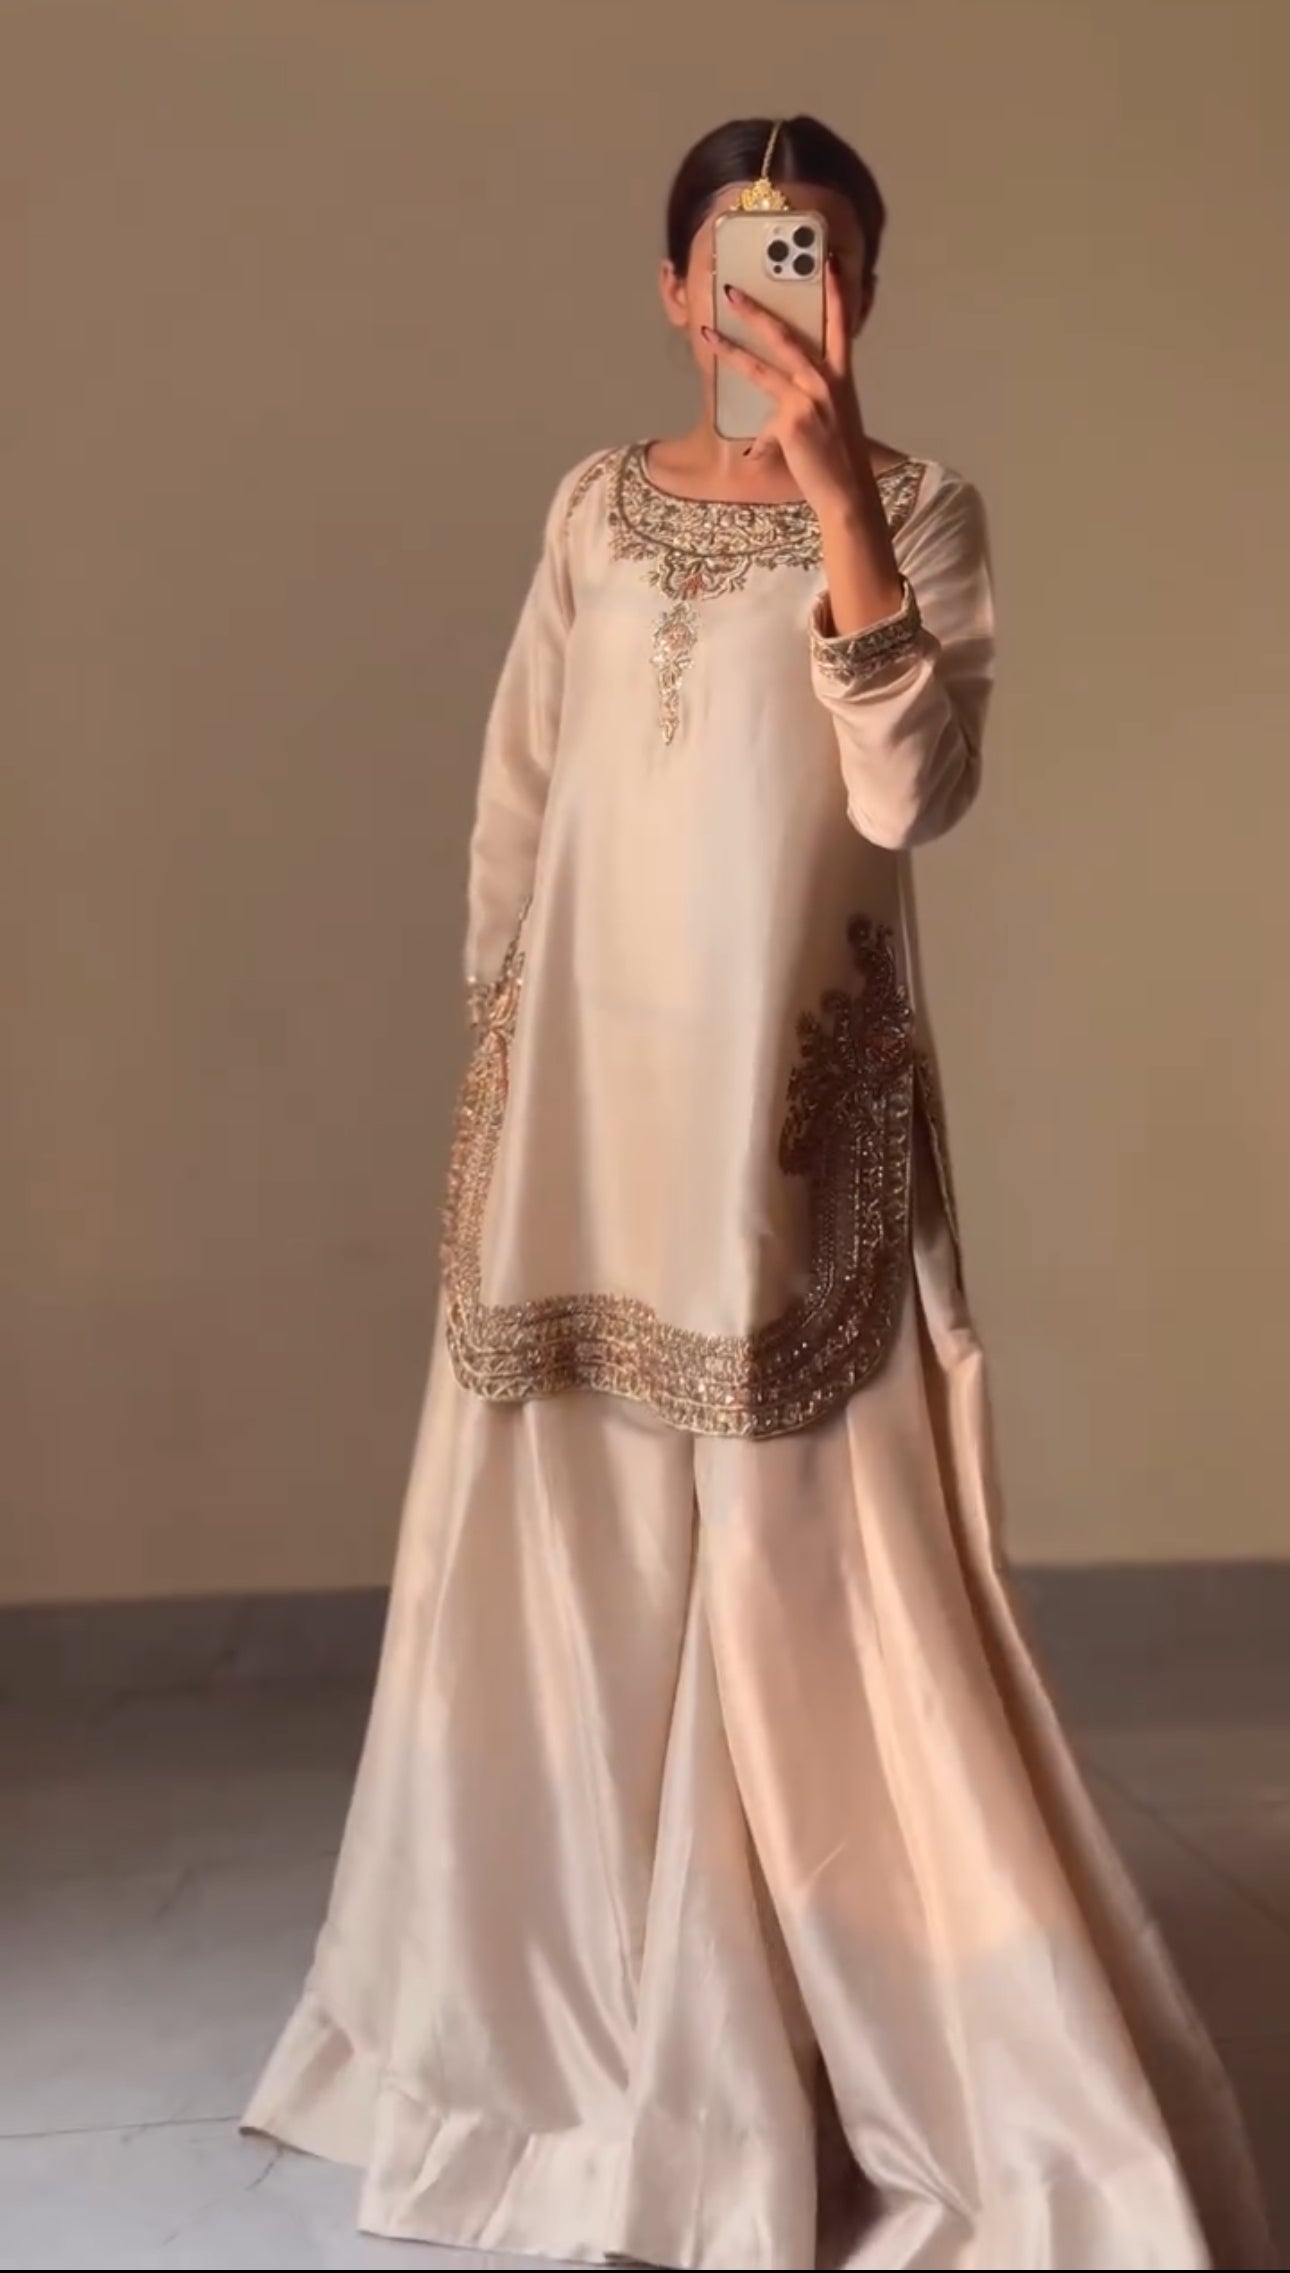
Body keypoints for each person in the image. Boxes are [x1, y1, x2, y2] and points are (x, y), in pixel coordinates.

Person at [244, 115, 1272, 2270]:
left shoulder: (919, 509)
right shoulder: (590, 507)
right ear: (672, 291)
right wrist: (496, 1043)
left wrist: (836, 510)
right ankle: (577, 2032)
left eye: (816, 261)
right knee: (576, 1528)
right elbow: (524, 786)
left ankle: (814, 2041)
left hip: (785, 1124)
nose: (775, 298)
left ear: (864, 295)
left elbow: (913, 793)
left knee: (802, 1555)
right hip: (582, 1103)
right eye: (736, 263)